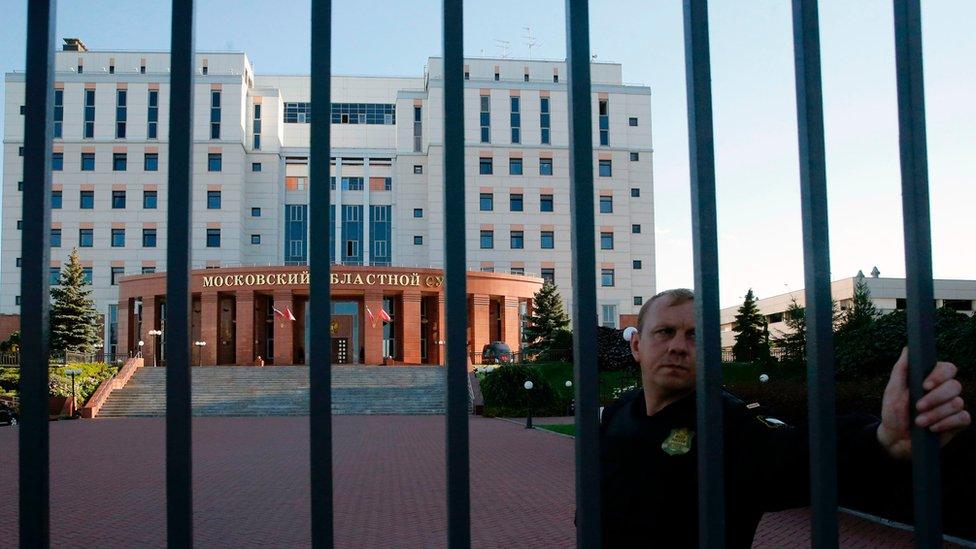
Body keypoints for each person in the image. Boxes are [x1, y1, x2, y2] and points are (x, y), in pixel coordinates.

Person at [600, 288, 971, 548]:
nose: (679, 346)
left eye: (695, 336)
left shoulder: (728, 425)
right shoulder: (617, 414)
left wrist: (883, 439)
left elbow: (797, 455)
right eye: (665, 332)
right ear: (637, 345)